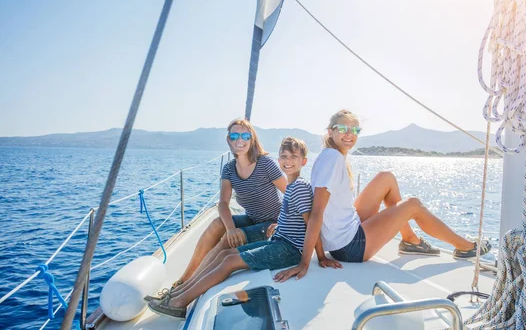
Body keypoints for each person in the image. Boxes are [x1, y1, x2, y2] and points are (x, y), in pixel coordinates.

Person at [274, 109, 490, 282]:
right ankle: (466, 248)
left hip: (345, 230)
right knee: (413, 205)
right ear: (330, 132)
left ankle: (410, 240)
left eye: (354, 130)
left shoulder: (330, 154)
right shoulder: (332, 159)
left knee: (386, 178)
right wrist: (307, 262)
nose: (349, 134)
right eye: (342, 128)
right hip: (349, 247)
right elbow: (317, 213)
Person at [147, 137, 337, 318]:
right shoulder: (292, 186)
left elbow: (312, 224)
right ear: (278, 159)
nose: (288, 161)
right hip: (279, 241)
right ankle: (178, 292)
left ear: (304, 162)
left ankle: (179, 303)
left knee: (230, 263)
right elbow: (292, 221)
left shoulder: (300, 188)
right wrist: (278, 228)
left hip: (289, 251)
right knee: (225, 254)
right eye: (284, 157)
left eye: (293, 157)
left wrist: (316, 258)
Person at [170, 118, 287, 290]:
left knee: (227, 240)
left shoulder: (266, 164)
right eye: (235, 135)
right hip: (252, 219)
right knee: (219, 223)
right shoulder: (229, 169)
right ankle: (186, 278)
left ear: (251, 139)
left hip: (271, 224)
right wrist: (231, 227)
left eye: (245, 135)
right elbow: (223, 203)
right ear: (229, 140)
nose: (240, 140)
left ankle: (190, 286)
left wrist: (282, 224)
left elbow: (290, 195)